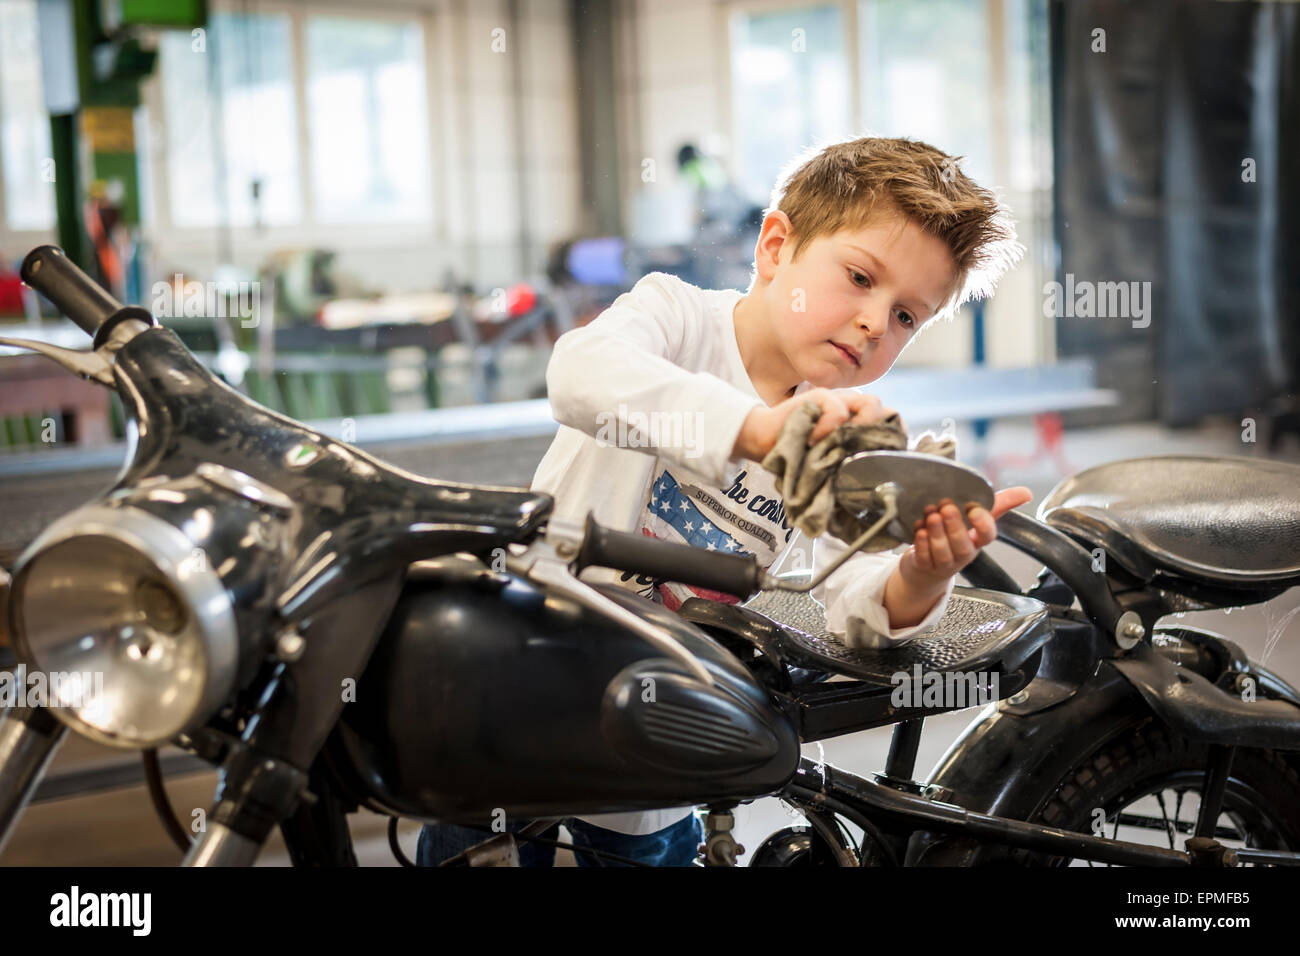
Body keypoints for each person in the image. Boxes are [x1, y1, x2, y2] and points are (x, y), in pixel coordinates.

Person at [416, 136, 1031, 867]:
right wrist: (755, 430)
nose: (875, 322)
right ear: (776, 247)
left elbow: (852, 601)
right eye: (861, 277)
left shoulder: (840, 435)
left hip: (653, 739)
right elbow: (581, 373)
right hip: (519, 694)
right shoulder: (675, 319)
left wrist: (921, 576)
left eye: (907, 317)